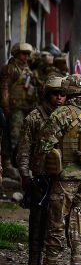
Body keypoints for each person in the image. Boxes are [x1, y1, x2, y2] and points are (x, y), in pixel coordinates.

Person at [27, 74, 81, 265]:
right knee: (79, 224)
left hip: (64, 180)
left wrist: (38, 170)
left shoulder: (62, 114)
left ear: (69, 92)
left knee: (56, 224)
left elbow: (44, 144)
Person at [17, 76, 66, 265]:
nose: (60, 98)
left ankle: (72, 264)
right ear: (47, 95)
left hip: (62, 177)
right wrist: (25, 174)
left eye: (63, 94)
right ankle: (33, 263)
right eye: (56, 94)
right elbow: (24, 149)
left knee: (66, 221)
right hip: (41, 177)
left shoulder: (68, 116)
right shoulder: (35, 118)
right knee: (37, 221)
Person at [0, 42, 38, 176]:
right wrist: (5, 106)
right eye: (23, 54)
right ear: (16, 54)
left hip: (26, 108)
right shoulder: (11, 69)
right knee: (12, 136)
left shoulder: (27, 70)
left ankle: (19, 163)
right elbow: (4, 88)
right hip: (14, 108)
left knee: (25, 138)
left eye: (28, 54)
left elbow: (33, 89)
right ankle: (7, 163)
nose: (26, 57)